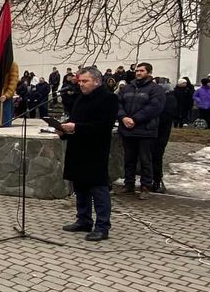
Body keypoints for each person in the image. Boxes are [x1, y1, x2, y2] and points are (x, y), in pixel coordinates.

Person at [58, 68, 120, 241]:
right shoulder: (80, 98)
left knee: (98, 189)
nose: (81, 84)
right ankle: (83, 219)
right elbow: (75, 120)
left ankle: (102, 226)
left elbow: (103, 126)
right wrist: (63, 129)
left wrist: (76, 127)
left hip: (95, 150)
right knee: (80, 186)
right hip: (77, 147)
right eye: (80, 81)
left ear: (97, 81)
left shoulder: (108, 99)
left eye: (85, 81)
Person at [116, 62, 165, 199]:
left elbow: (154, 108)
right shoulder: (127, 88)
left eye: (141, 71)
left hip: (146, 130)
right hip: (127, 130)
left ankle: (145, 186)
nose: (138, 73)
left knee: (145, 160)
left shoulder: (155, 89)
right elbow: (118, 103)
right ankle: (129, 184)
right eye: (137, 70)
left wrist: (134, 119)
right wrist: (123, 117)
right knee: (129, 159)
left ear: (149, 72)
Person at [152, 80, 177, 193]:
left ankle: (157, 180)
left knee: (156, 156)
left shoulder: (169, 99)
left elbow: (165, 117)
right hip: (153, 131)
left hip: (160, 133)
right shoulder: (158, 98)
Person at [0, 60, 18, 128]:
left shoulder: (11, 64)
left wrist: (7, 95)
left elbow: (13, 82)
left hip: (5, 98)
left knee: (5, 123)